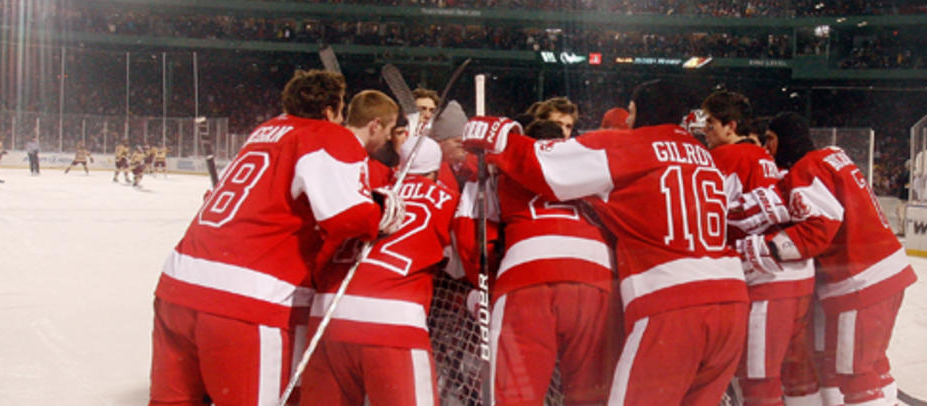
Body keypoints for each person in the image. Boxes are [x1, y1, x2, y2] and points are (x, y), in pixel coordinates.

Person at [464, 79, 748, 406]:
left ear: (640, 112)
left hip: (673, 302)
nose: (626, 121)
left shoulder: (634, 145)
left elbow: (546, 168)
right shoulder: (705, 155)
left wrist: (498, 137)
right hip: (732, 299)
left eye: (630, 112)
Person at [148, 71, 399, 406]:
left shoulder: (265, 130)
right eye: (339, 111)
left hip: (177, 287)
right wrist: (382, 212)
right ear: (328, 111)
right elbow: (346, 218)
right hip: (245, 300)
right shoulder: (324, 134)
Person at [735, 112, 916, 406]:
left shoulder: (807, 169)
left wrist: (759, 248)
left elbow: (818, 229)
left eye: (770, 140)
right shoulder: (833, 156)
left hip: (861, 281)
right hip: (889, 270)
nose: (767, 149)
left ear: (784, 139)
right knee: (870, 364)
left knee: (854, 374)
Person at [302, 135, 467, 406]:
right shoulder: (448, 200)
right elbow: (463, 262)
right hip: (391, 321)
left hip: (327, 314)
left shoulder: (370, 193)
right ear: (436, 172)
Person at [489, 118, 618, 406]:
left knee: (516, 394)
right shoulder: (592, 171)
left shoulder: (500, 173)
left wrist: (479, 281)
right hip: (595, 274)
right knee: (591, 395)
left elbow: (474, 235)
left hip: (527, 273)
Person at [702, 91, 811, 406]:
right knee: (786, 380)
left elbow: (707, 218)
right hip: (797, 277)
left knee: (756, 383)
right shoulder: (765, 157)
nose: (705, 130)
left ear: (730, 126)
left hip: (763, 282)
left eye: (710, 123)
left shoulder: (724, 158)